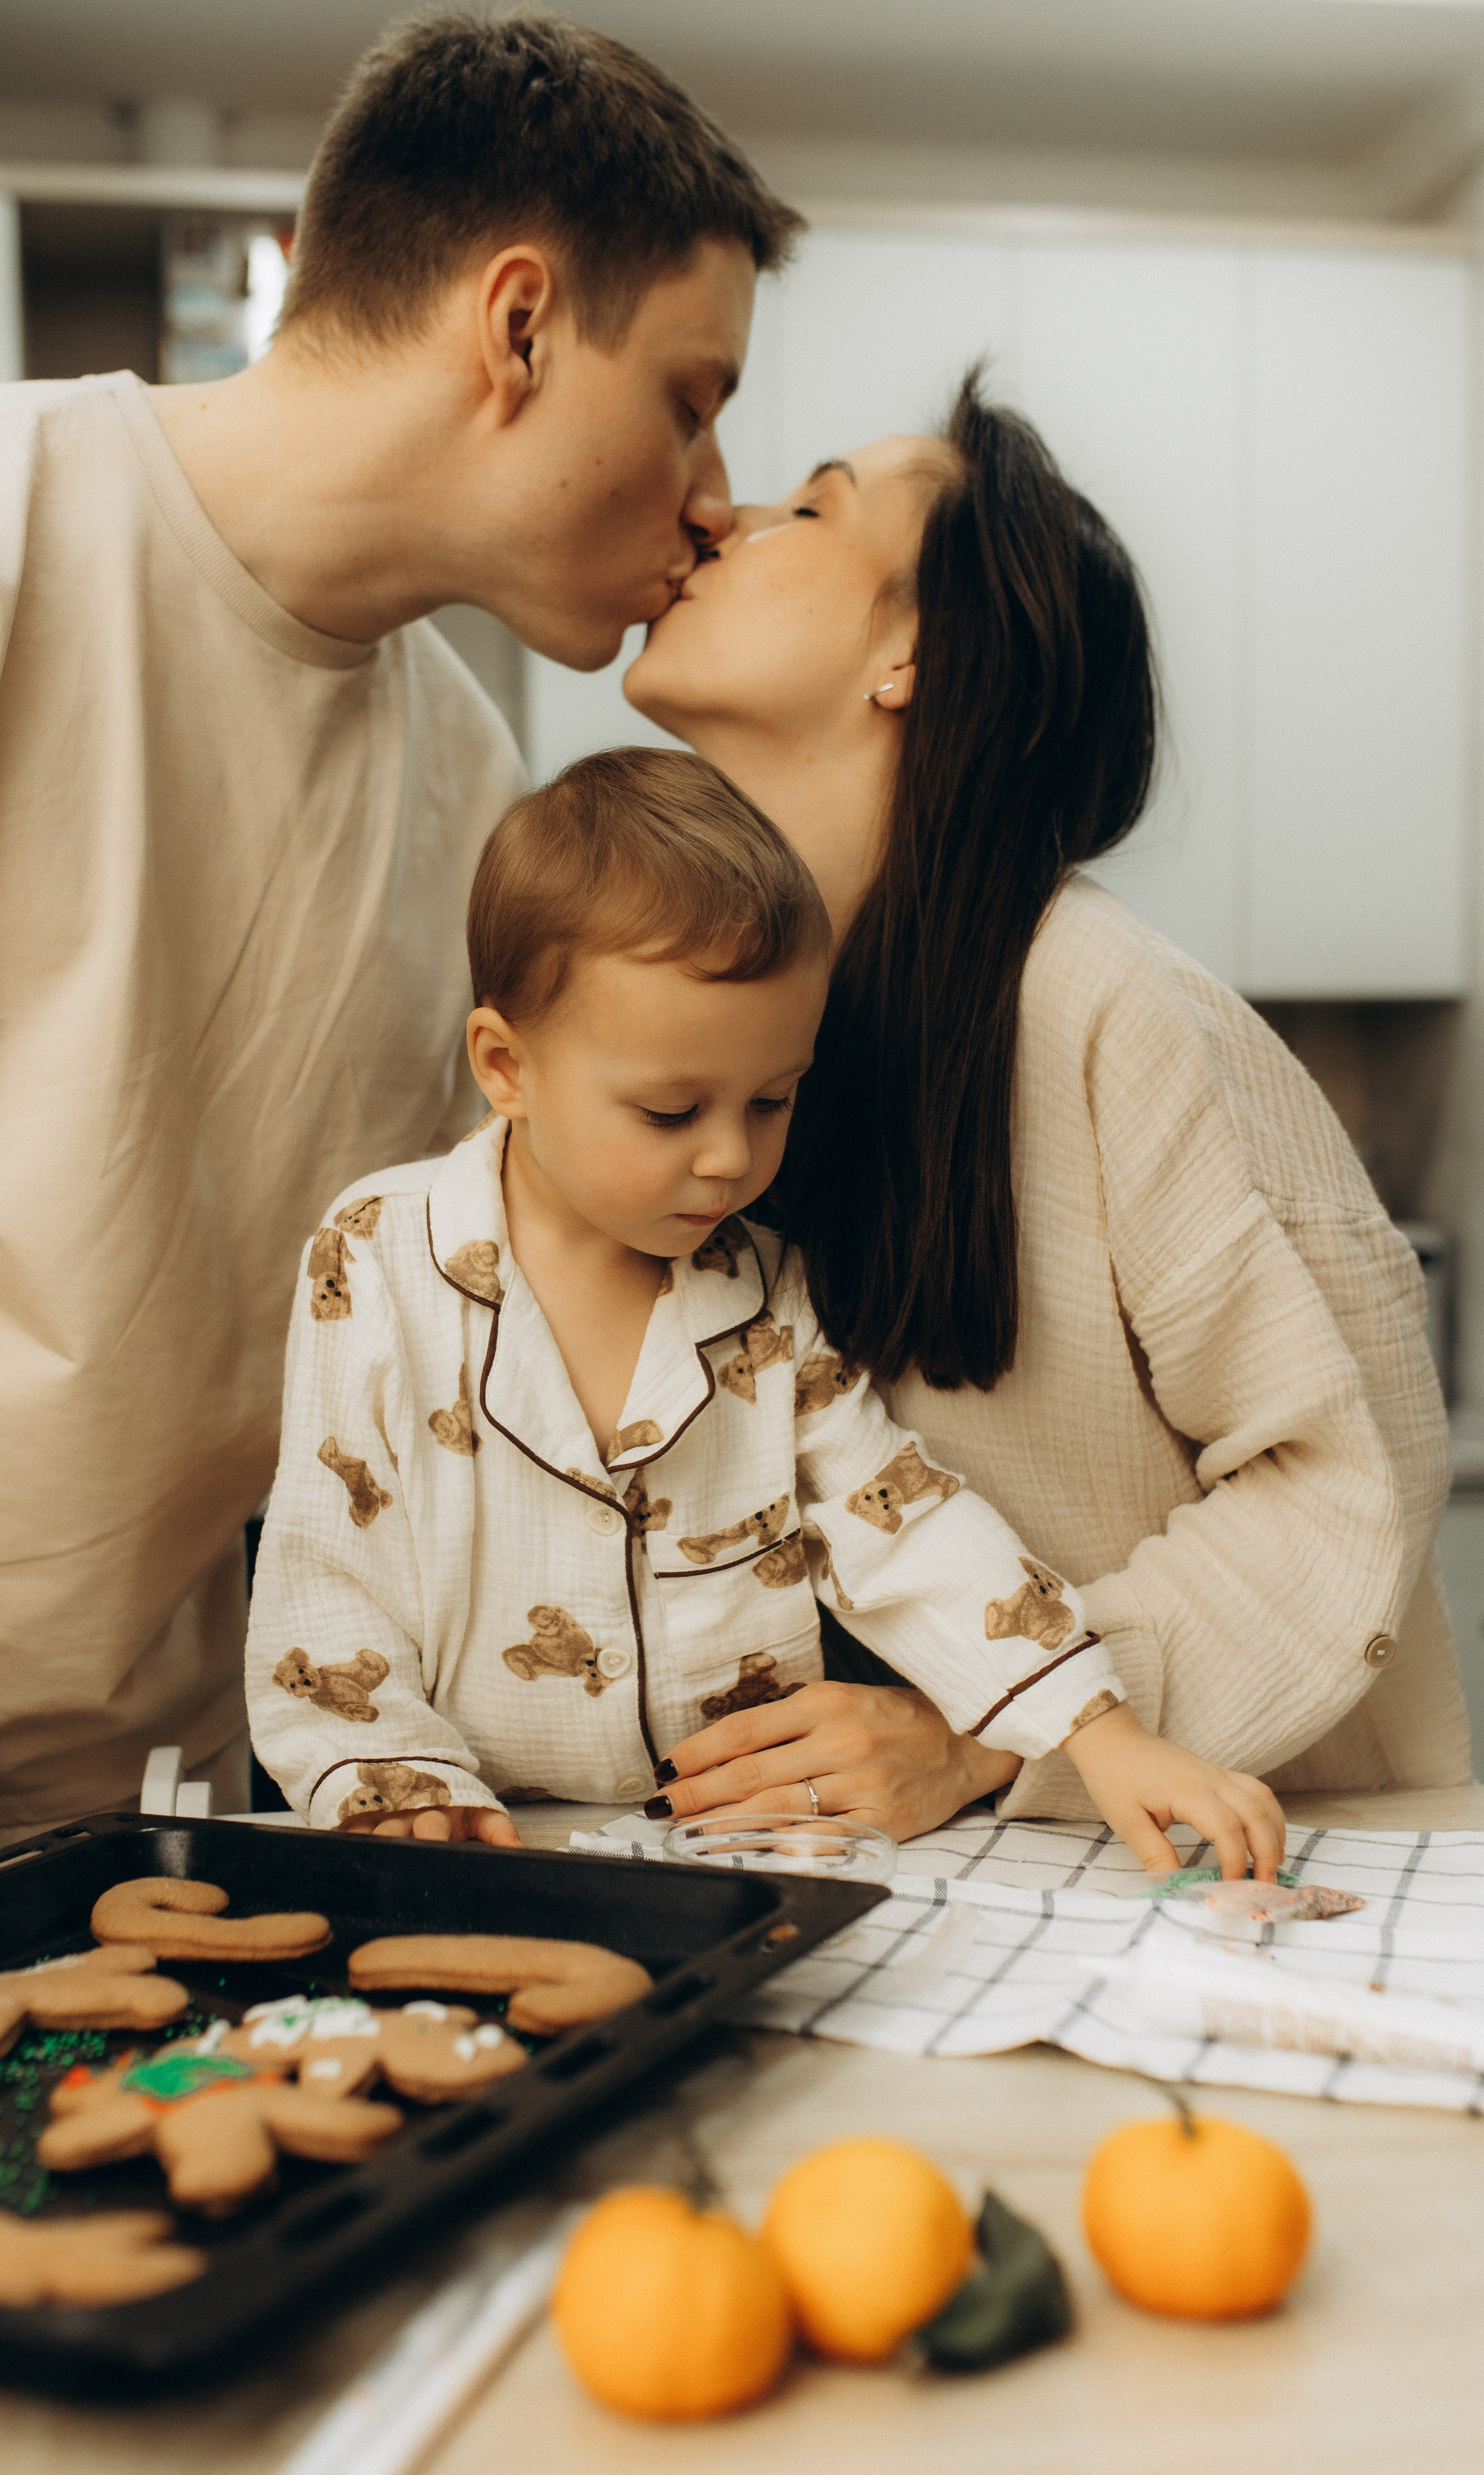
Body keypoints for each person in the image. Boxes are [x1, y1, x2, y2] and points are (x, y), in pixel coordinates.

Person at [0, 9, 802, 1847]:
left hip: (169, 1814)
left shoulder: (467, 766)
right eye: (690, 398)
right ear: (516, 326)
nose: (718, 493)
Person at [623, 369, 1469, 1836]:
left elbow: (1351, 1483)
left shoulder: (1110, 1009)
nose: (719, 518)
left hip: (1230, 1875)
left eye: (808, 506)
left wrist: (989, 1728)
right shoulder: (739, 1021)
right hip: (922, 1876)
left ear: (908, 651)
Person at [246, 751, 1285, 1880]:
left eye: (773, 1099)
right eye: (671, 1109)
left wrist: (1099, 1731)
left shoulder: (772, 1290)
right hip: (471, 1841)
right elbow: (324, 1556)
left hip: (754, 1849)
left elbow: (905, 1521)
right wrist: (389, 1778)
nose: (732, 1157)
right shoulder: (375, 1251)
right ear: (507, 1065)